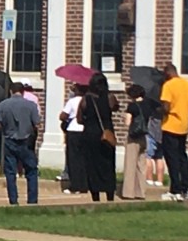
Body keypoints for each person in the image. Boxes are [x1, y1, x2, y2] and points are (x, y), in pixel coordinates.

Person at [159, 62, 188, 201]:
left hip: (170, 126)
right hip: (184, 127)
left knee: (172, 159)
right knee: (183, 157)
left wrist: (160, 110)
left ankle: (175, 190)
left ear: (168, 73)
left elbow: (166, 107)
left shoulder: (168, 85)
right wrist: (185, 110)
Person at [0, 82, 40, 205]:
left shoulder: (3, 105)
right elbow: (37, 123)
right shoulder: (31, 105)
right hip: (26, 141)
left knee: (10, 172)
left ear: (11, 91)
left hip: (9, 140)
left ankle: (13, 200)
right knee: (31, 170)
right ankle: (32, 200)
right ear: (23, 92)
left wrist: (5, 128)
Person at [78, 72, 118, 202]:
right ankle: (110, 195)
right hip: (106, 133)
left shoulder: (86, 99)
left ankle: (95, 197)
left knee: (92, 165)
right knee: (108, 165)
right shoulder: (110, 97)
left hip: (90, 134)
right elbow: (115, 108)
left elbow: (79, 119)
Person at [121, 85, 150, 200]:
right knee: (141, 165)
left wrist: (124, 117)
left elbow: (127, 123)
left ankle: (128, 192)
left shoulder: (132, 106)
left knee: (130, 165)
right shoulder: (147, 105)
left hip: (133, 137)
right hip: (143, 137)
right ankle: (141, 192)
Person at [59, 84, 88, 194]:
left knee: (73, 159)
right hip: (85, 130)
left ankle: (75, 185)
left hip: (73, 130)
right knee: (84, 158)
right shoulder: (88, 100)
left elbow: (63, 116)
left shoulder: (72, 101)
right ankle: (84, 185)